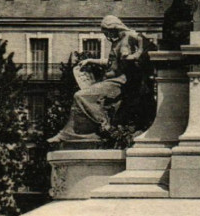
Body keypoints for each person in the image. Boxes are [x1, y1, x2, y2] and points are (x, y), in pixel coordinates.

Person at [48, 15, 145, 144]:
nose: (107, 35)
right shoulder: (116, 42)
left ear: (114, 28)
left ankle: (104, 125)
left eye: (107, 32)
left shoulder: (128, 36)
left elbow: (141, 38)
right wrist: (91, 60)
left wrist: (138, 54)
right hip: (109, 81)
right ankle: (67, 134)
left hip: (119, 82)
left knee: (80, 96)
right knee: (79, 102)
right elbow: (111, 63)